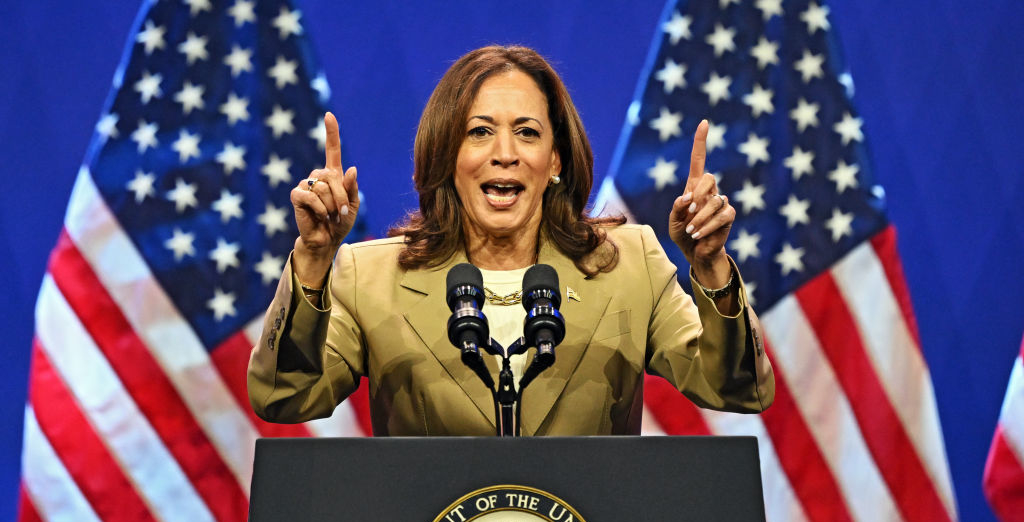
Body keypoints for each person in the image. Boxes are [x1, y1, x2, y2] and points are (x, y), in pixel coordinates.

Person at [247, 45, 774, 436]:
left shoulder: (628, 265)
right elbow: (284, 396)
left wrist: (710, 267)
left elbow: (738, 388)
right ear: (447, 157)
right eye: (479, 132)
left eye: (527, 132)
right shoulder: (373, 278)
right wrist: (314, 259)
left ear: (556, 162)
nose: (505, 153)